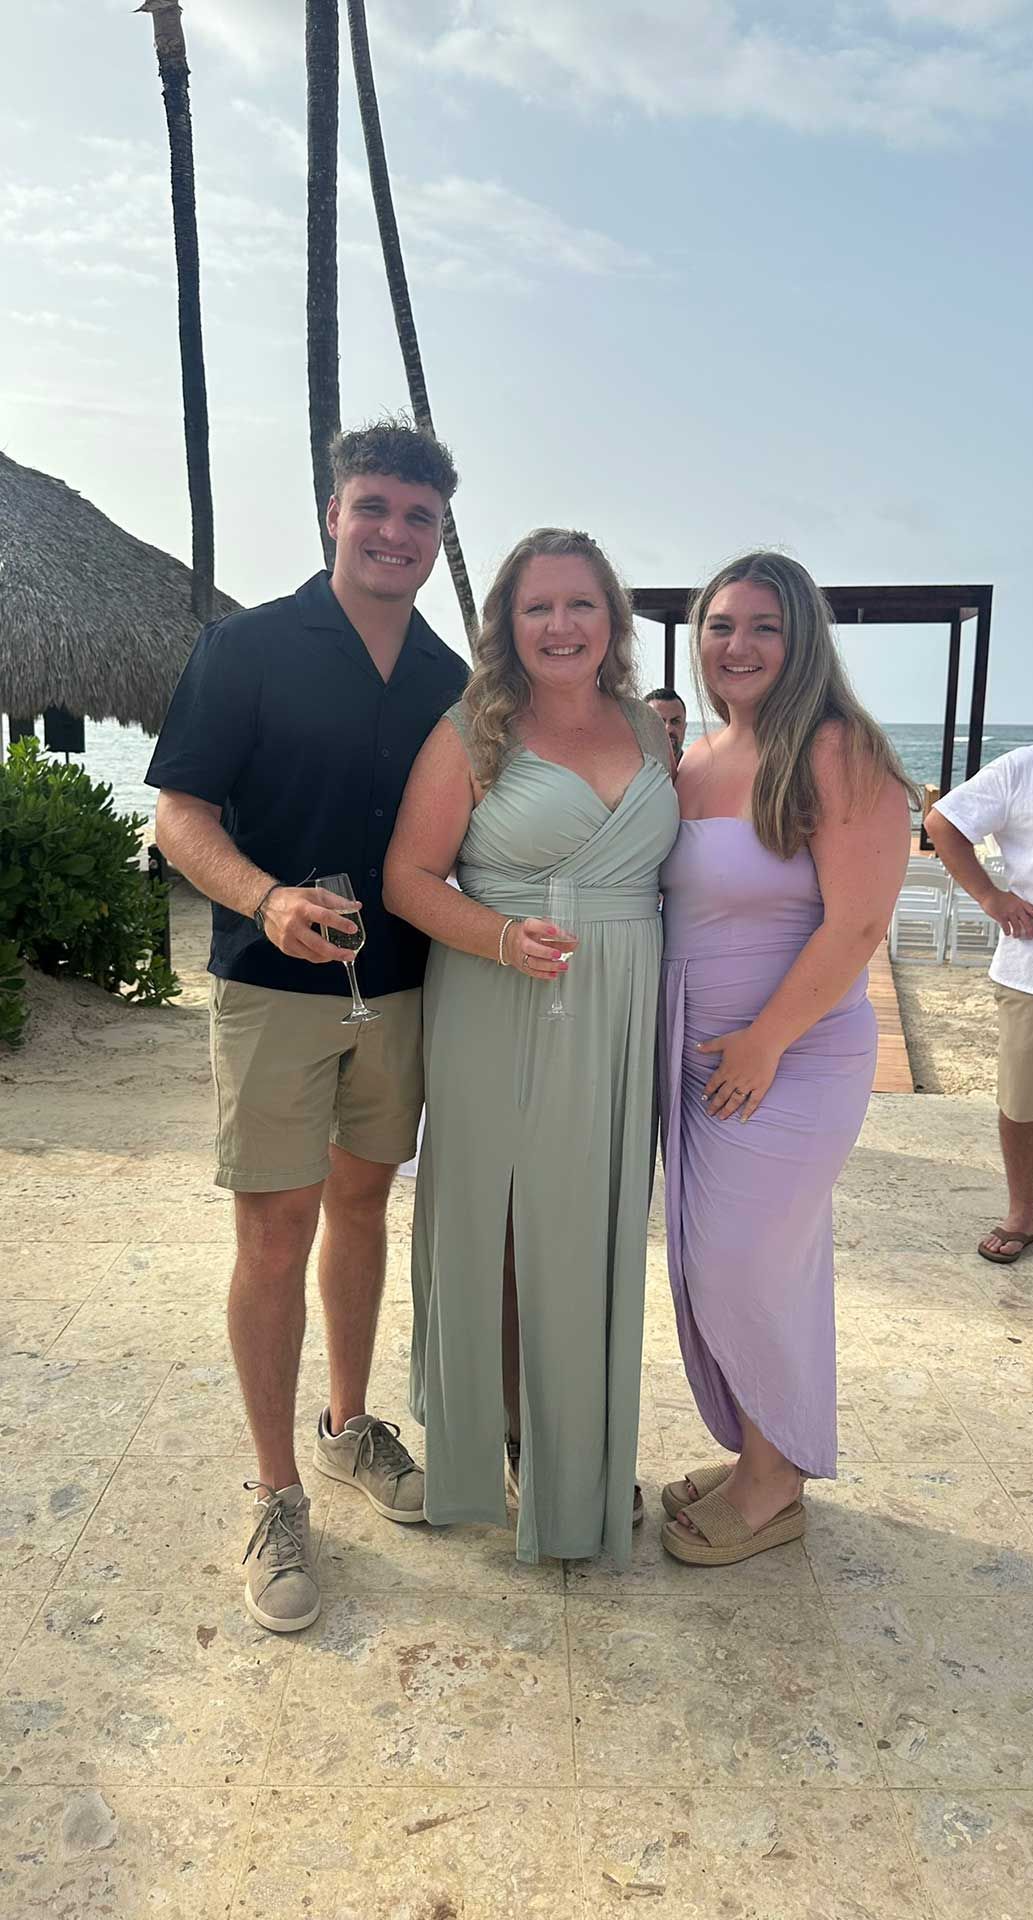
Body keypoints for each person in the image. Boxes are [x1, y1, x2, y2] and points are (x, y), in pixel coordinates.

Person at [146, 417, 469, 1632]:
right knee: (275, 1230)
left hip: (404, 987)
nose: (394, 531)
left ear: (439, 536)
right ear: (334, 512)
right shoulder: (247, 648)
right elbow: (180, 815)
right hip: (270, 990)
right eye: (374, 506)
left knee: (363, 1205)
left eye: (418, 516)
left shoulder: (450, 679)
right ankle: (276, 1491)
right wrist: (266, 898)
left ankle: (346, 1427)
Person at [383, 528, 679, 1565]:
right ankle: (514, 1432)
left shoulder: (646, 728)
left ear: (613, 620)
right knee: (505, 1226)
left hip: (619, 1005)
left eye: (581, 604)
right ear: (508, 624)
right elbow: (407, 879)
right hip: (500, 995)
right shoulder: (472, 730)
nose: (560, 625)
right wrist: (503, 939)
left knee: (589, 1225)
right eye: (537, 607)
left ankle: (576, 1439)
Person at [657, 551, 911, 1568]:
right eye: (722, 624)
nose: (740, 644)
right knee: (720, 1263)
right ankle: (762, 1452)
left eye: (765, 625)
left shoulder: (838, 751)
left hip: (791, 1057)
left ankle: (775, 1484)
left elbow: (858, 926)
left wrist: (765, 1040)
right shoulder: (696, 757)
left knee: (740, 1261)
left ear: (803, 638)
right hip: (694, 1059)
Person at [925, 657, 1033, 1264]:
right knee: (1024, 1103)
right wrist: (991, 896)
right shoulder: (1026, 769)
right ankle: (1021, 1215)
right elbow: (943, 822)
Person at [645, 686, 688, 764]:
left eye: (675, 721)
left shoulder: (699, 770)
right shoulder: (627, 769)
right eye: (659, 721)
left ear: (685, 728)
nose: (668, 729)